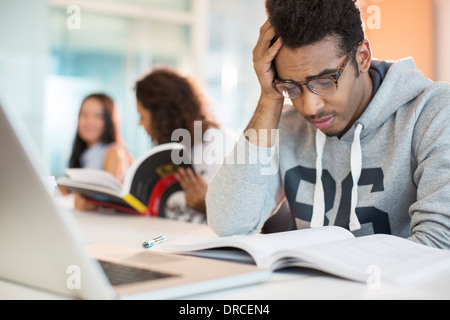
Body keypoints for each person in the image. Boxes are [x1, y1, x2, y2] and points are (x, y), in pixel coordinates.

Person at [206, 0, 450, 249]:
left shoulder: (433, 111)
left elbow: (439, 245)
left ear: (363, 56)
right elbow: (229, 225)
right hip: (309, 286)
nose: (310, 108)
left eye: (324, 81)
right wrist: (270, 97)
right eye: (291, 86)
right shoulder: (285, 125)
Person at [135, 67, 235, 224]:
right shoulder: (169, 150)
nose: (140, 124)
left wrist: (207, 206)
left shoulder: (219, 146)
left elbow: (243, 220)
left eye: (142, 117)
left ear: (162, 117)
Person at [67, 93, 133, 209]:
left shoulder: (114, 152)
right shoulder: (85, 155)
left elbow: (106, 200)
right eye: (84, 114)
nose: (89, 121)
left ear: (109, 121)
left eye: (98, 116)